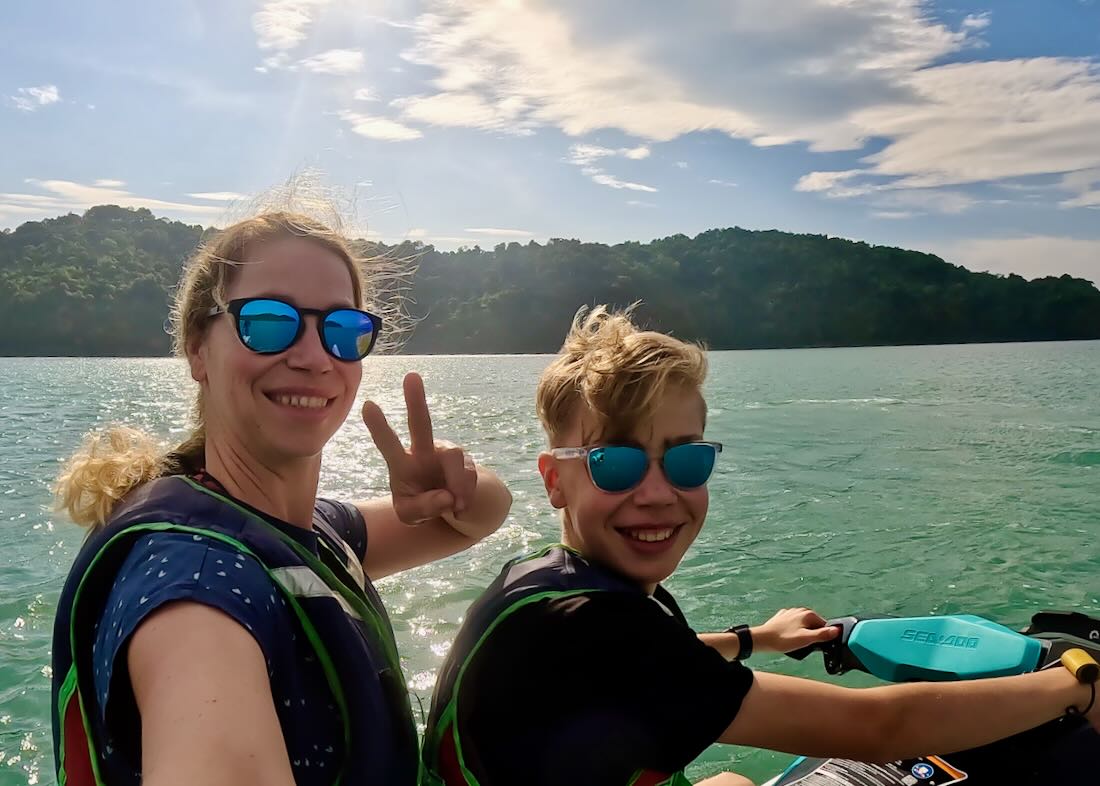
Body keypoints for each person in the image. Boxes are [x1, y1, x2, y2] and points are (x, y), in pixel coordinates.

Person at [421, 305, 1100, 786]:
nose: (656, 493)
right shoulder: (595, 629)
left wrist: (756, 639)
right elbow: (881, 730)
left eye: (685, 460)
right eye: (616, 463)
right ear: (555, 481)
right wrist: (1076, 686)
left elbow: (654, 663)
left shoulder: (547, 582)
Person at [51, 208, 513, 786]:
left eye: (342, 329)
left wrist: (454, 483)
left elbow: (481, 518)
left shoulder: (312, 532)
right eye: (269, 322)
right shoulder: (196, 588)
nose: (315, 357)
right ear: (198, 349)